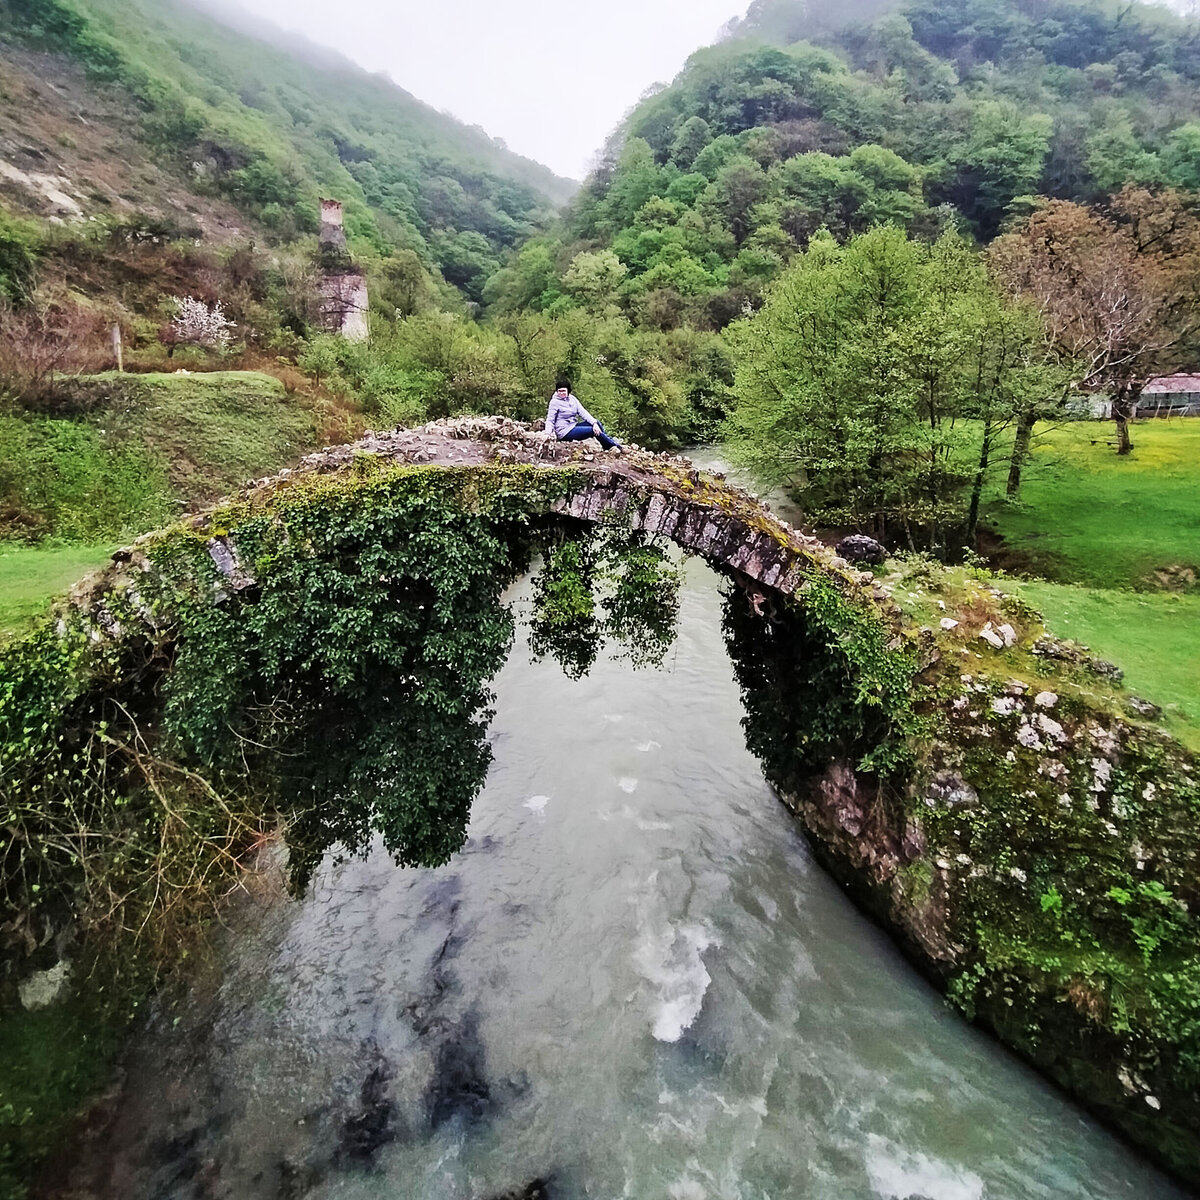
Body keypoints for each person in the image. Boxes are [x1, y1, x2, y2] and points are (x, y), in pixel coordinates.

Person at [544, 379, 622, 451]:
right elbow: (550, 419)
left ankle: (607, 443)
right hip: (564, 431)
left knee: (596, 423)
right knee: (592, 431)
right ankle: (614, 446)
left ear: (568, 390)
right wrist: (547, 433)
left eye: (563, 391)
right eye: (559, 391)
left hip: (573, 425)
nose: (561, 393)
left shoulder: (573, 399)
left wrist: (594, 423)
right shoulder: (554, 402)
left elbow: (583, 412)